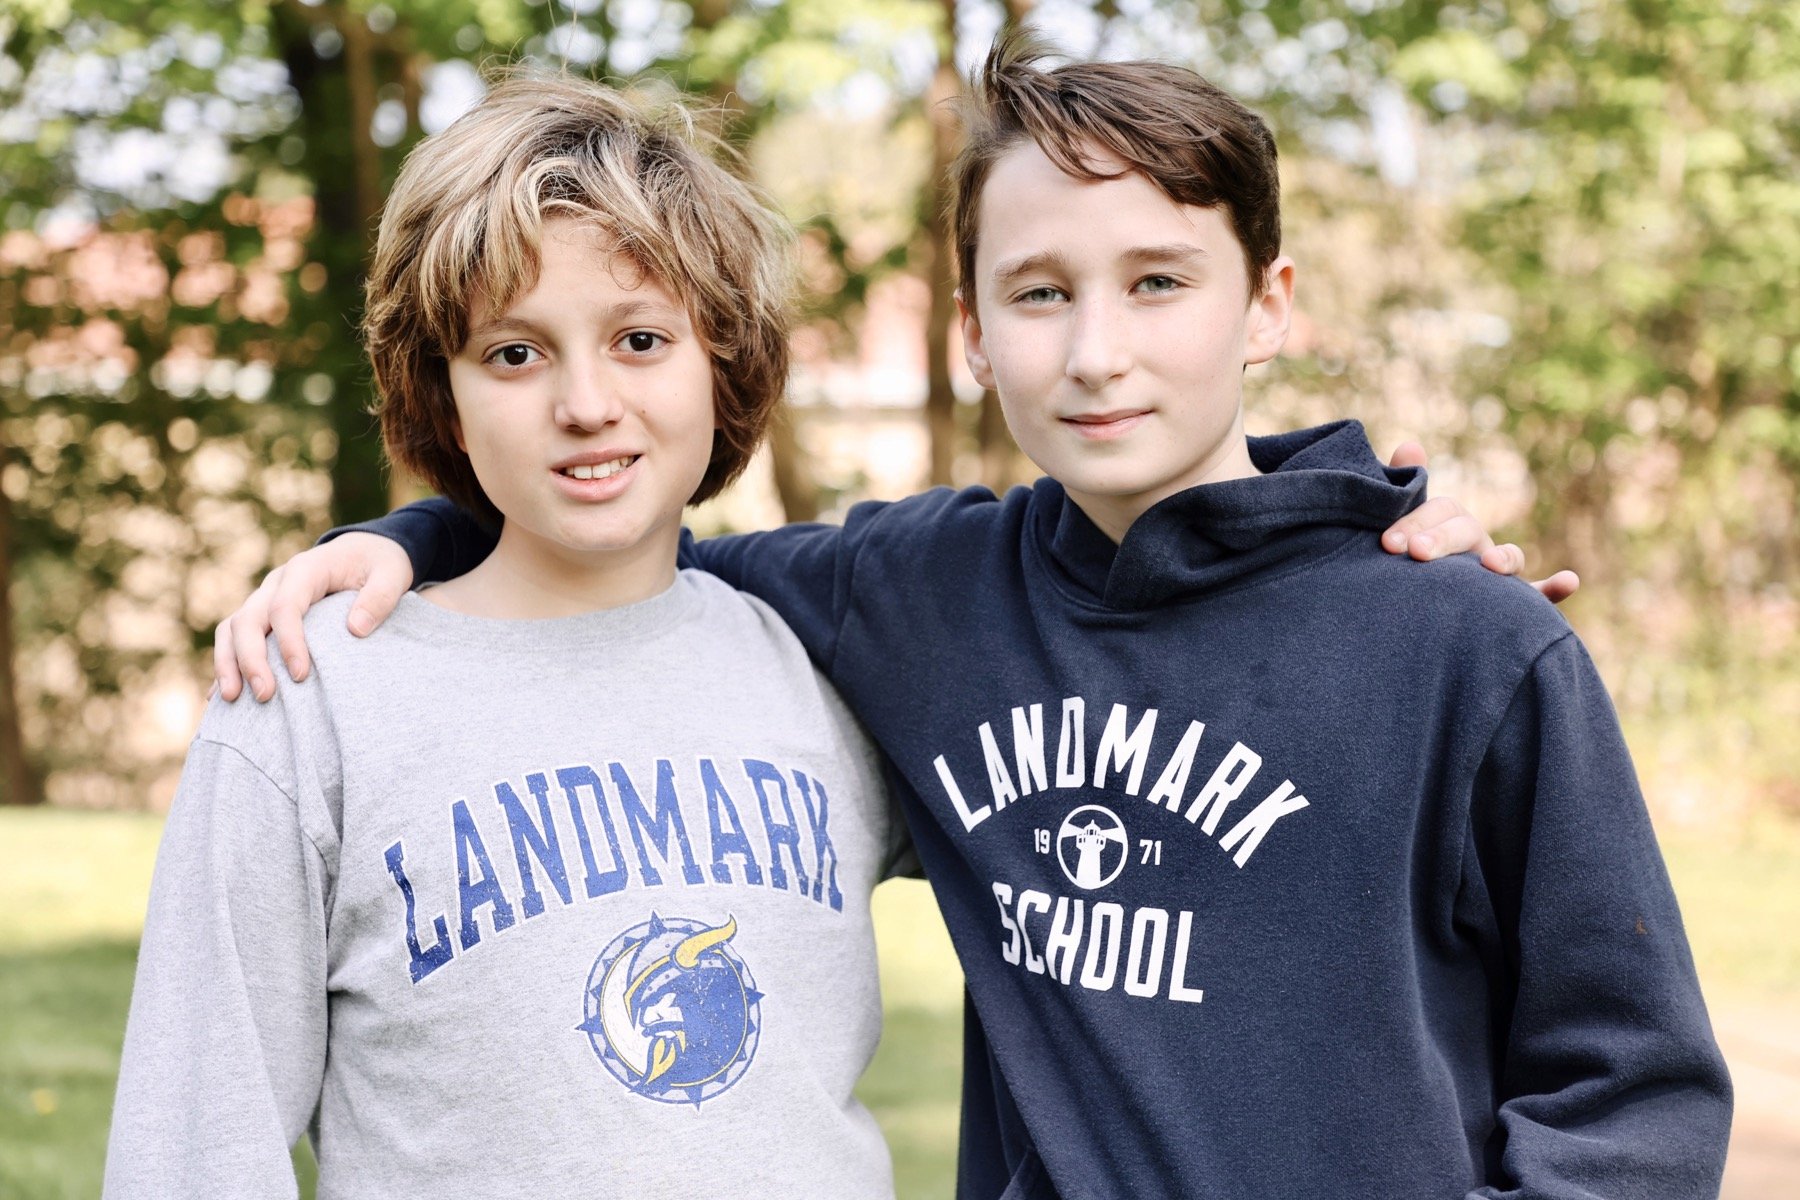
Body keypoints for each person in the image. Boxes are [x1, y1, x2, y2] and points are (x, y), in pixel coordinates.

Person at [214, 33, 1733, 1199]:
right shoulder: (919, 594)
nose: (1098, 352)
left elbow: (1637, 1088)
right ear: (973, 334)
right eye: (1039, 294)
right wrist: (413, 535)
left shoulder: (1464, 638)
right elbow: (625, 537)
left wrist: (1396, 502)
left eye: (1158, 282)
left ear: (1269, 305)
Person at [105, 75, 911, 1199]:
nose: (586, 403)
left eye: (639, 339)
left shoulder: (830, 669)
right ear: (442, 391)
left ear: (722, 360)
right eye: (515, 354)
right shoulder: (312, 691)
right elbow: (195, 1143)